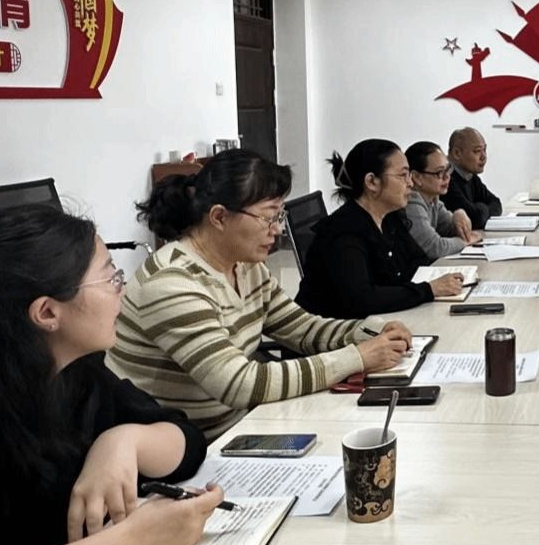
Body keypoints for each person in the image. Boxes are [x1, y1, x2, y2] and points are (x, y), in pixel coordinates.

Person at [0, 204, 224, 545]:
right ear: (47, 313)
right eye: (111, 277)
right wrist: (135, 538)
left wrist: (123, 442)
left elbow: (188, 440)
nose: (123, 288)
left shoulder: (79, 371)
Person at [110, 149, 412, 441]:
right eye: (269, 218)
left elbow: (303, 328)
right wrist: (356, 357)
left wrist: (367, 331)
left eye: (280, 215)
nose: (278, 230)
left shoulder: (244, 265)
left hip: (242, 425)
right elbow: (240, 384)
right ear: (219, 217)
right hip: (190, 449)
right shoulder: (172, 282)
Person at [295, 139, 464, 318]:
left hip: (382, 319)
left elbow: (417, 262)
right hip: (336, 329)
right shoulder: (344, 233)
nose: (410, 183)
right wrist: (428, 290)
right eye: (403, 175)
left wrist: (440, 283)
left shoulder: (389, 218)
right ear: (372, 182)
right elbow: (362, 299)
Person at [403, 140, 484, 259]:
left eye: (448, 169)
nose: (447, 177)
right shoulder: (411, 202)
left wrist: (459, 214)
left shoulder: (433, 198)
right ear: (416, 177)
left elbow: (451, 230)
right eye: (439, 172)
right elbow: (435, 248)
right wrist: (466, 241)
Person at [442, 127, 503, 230]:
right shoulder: (445, 180)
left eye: (484, 150)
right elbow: (475, 218)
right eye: (477, 151)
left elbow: (496, 203)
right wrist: (481, 208)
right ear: (457, 153)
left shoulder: (470, 175)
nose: (483, 157)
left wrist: (478, 208)